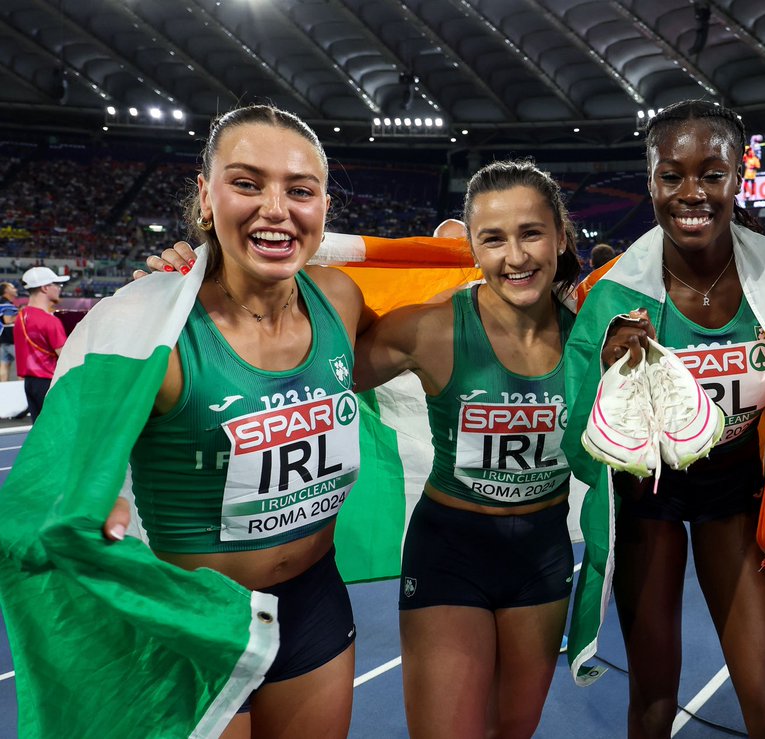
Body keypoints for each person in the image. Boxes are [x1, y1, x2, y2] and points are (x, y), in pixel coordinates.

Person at [566, 100, 765, 738]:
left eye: (712, 173)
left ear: (739, 178)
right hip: (648, 502)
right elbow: (578, 440)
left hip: (737, 498)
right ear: (650, 182)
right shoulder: (611, 294)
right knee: (651, 701)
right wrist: (609, 384)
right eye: (671, 176)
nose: (691, 193)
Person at [104, 104, 370, 738]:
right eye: (247, 184)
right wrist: (105, 505)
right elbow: (85, 459)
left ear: (324, 207)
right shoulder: (156, 327)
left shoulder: (339, 299)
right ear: (207, 195)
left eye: (299, 190)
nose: (275, 208)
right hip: (196, 620)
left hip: (314, 604)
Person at [353, 159, 581, 738]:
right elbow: (293, 371)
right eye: (494, 240)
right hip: (450, 553)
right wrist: (199, 290)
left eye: (531, 233)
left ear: (559, 234)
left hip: (544, 557)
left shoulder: (595, 332)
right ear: (472, 248)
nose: (516, 257)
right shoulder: (429, 330)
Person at [15, 267, 69, 421]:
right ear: (45, 288)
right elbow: (67, 357)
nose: (59, 288)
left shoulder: (21, 316)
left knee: (39, 433)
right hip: (49, 383)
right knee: (57, 432)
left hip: (30, 384)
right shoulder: (50, 321)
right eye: (56, 285)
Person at [0, 281, 18, 381]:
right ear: (6, 290)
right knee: (22, 364)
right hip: (11, 340)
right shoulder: (7, 305)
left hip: (3, 340)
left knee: (4, 366)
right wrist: (20, 314)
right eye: (12, 287)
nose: (15, 289)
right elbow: (8, 320)